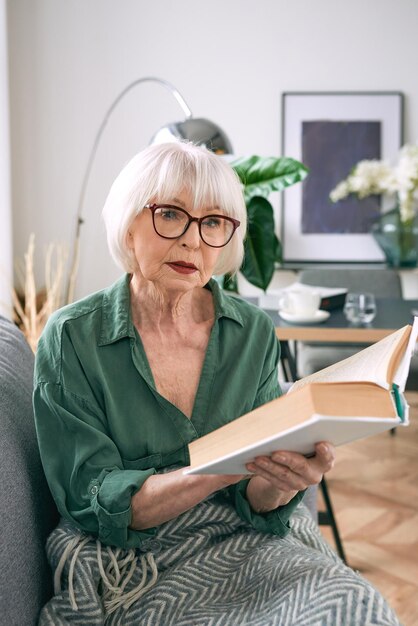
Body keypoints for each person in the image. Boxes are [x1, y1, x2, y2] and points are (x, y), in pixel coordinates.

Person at [34, 141, 400, 625]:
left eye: (213, 222)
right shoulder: (73, 337)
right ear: (128, 223)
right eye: (170, 214)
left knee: (357, 607)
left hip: (248, 541)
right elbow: (91, 500)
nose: (193, 241)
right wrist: (221, 469)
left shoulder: (253, 332)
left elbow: (257, 503)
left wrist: (280, 481)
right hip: (137, 562)